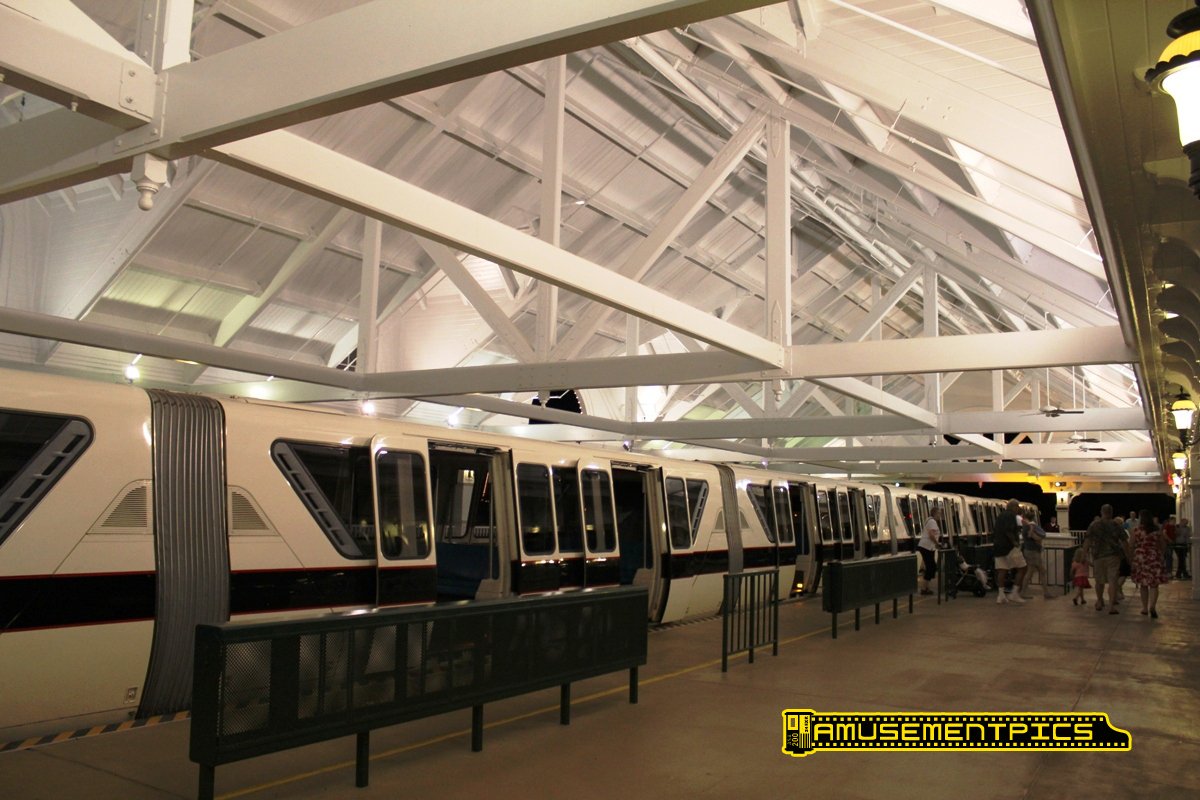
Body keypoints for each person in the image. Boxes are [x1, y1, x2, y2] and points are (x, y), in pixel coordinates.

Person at [1084, 504, 1128, 614]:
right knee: (1113, 581)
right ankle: (1111, 606)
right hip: (1113, 556)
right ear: (1111, 512)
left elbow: (1087, 540)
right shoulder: (1116, 525)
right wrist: (1128, 556)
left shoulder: (1094, 524)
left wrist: (1084, 555)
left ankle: (1099, 601)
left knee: (1099, 581)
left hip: (1098, 556)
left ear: (1101, 512)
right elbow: (1124, 542)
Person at [1131, 509, 1171, 618]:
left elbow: (1131, 544)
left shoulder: (1136, 530)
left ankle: (1144, 608)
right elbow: (1163, 544)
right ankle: (1152, 606)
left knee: (1143, 584)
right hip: (1154, 557)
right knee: (1154, 584)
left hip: (1141, 558)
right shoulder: (1157, 530)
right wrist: (1160, 554)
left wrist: (1132, 557)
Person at [992, 499, 1027, 604]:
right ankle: (1014, 593)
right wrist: (1014, 542)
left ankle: (1001, 595)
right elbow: (1008, 530)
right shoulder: (1011, 515)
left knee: (1002, 570)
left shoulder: (1000, 516)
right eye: (1017, 507)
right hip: (1009, 547)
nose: (1018, 509)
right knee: (1023, 568)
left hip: (998, 547)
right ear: (1013, 507)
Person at [1019, 514, 1053, 599]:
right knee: (1040, 571)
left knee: (1031, 571)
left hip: (1028, 550)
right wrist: (1039, 538)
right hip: (1033, 551)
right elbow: (1036, 537)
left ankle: (1023, 592)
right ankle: (1046, 592)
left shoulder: (1025, 527)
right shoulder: (1030, 527)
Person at [917, 506, 943, 596]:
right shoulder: (932, 521)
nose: (940, 515)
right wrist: (937, 543)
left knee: (931, 567)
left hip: (928, 547)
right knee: (931, 567)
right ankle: (924, 588)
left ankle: (926, 587)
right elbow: (931, 535)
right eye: (939, 513)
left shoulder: (930, 521)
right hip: (926, 547)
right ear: (935, 513)